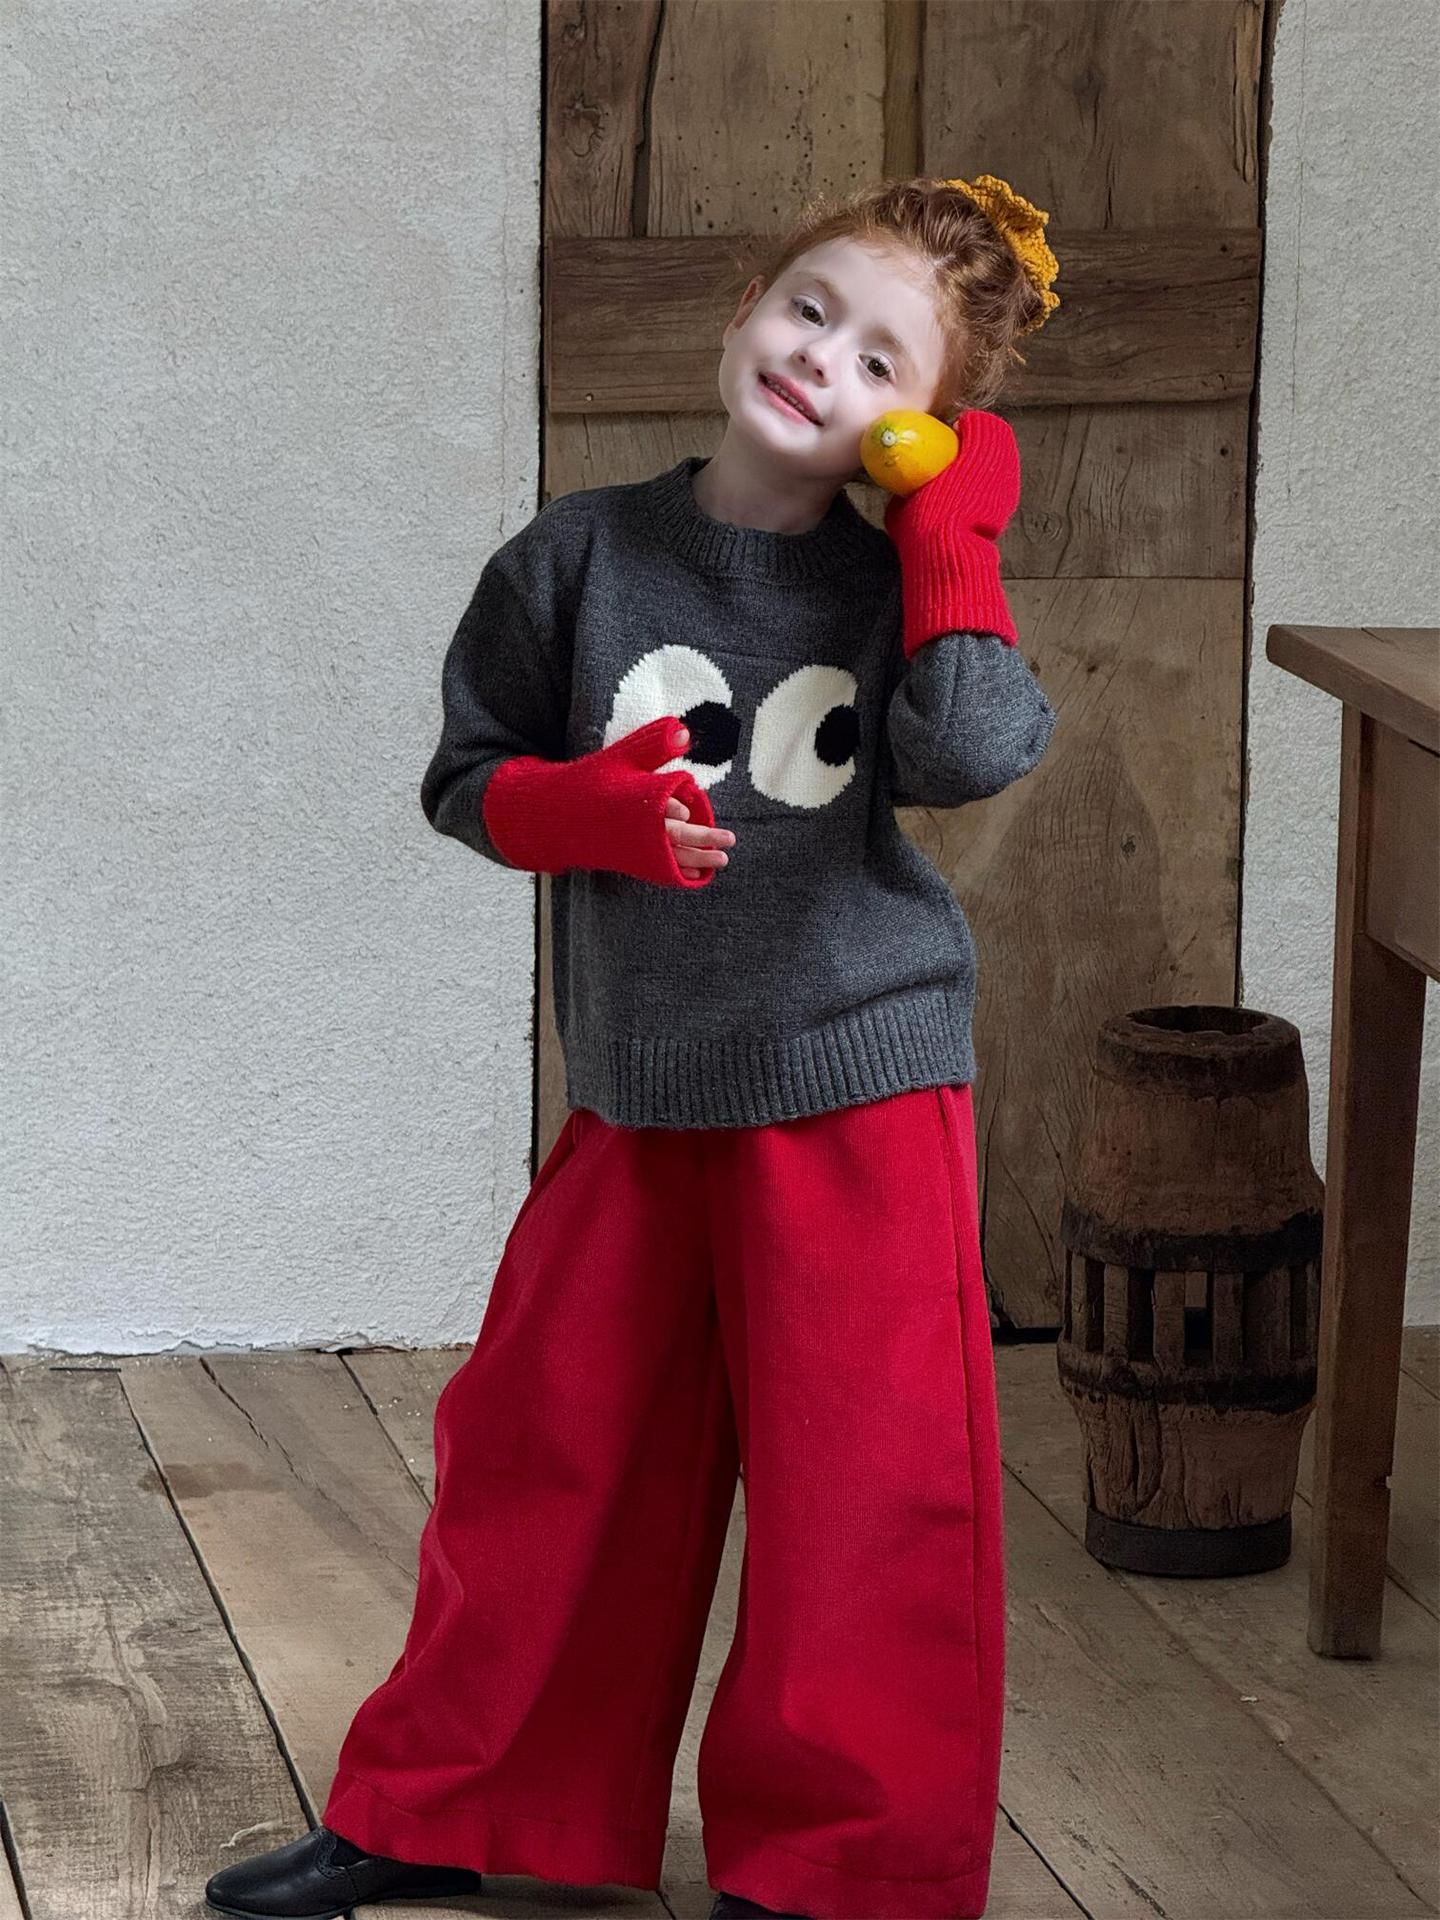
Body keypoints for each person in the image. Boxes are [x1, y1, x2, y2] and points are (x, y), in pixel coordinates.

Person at [205, 173, 1061, 1920]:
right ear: (745, 306)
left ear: (921, 430)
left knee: (867, 1493)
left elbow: (971, 750)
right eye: (810, 307)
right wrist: (576, 812)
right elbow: (468, 779)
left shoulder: (897, 578)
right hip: (645, 1084)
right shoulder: (574, 556)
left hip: (858, 1084)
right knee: (546, 1450)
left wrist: (952, 531)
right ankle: (459, 1809)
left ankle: (842, 1872)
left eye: (884, 363)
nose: (824, 360)